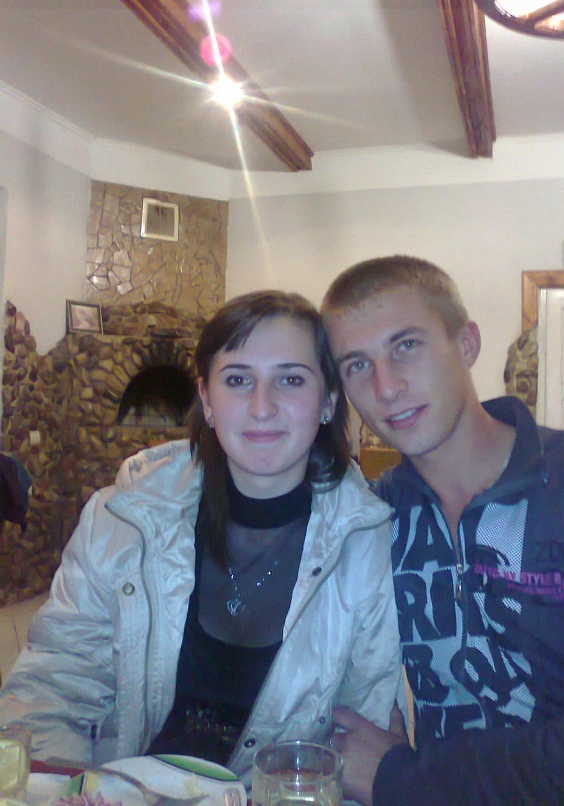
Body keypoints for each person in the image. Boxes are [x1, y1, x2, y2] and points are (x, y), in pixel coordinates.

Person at [0, 290, 403, 789]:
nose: (261, 407)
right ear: (207, 400)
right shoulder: (120, 523)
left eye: (290, 379)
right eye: (237, 380)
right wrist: (75, 793)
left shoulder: (369, 546)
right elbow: (52, 689)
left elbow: (361, 734)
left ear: (328, 402)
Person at [321, 256, 564, 805]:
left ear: (467, 344)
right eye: (357, 365)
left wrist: (396, 778)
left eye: (407, 345)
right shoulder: (374, 518)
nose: (387, 387)